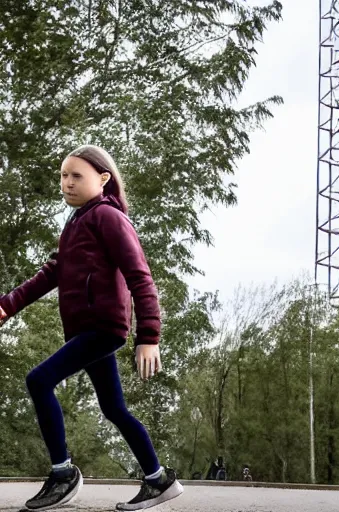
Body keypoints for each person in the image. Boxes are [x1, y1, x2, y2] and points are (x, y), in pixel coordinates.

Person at [0, 145, 183, 511]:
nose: (67, 183)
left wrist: (149, 337)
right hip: (87, 328)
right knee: (113, 408)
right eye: (63, 176)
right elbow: (52, 273)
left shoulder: (108, 218)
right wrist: (7, 305)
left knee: (39, 380)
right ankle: (158, 479)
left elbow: (141, 277)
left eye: (76, 176)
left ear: (103, 179)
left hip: (102, 326)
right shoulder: (76, 222)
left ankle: (63, 473)